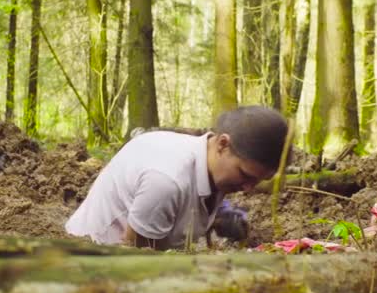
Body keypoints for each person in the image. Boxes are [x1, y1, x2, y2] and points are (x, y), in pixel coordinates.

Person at [65, 106, 289, 250]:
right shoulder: (167, 180)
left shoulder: (212, 161)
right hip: (90, 261)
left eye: (258, 180)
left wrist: (219, 215)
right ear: (223, 144)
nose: (248, 188)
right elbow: (135, 259)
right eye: (245, 175)